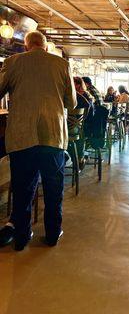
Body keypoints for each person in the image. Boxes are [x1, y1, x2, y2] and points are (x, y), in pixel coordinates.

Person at [0, 31, 76, 251]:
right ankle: (52, 234)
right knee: (54, 188)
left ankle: (22, 238)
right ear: (45, 46)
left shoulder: (13, 62)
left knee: (23, 188)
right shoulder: (61, 64)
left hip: (22, 136)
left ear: (26, 46)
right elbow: (71, 102)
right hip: (52, 136)